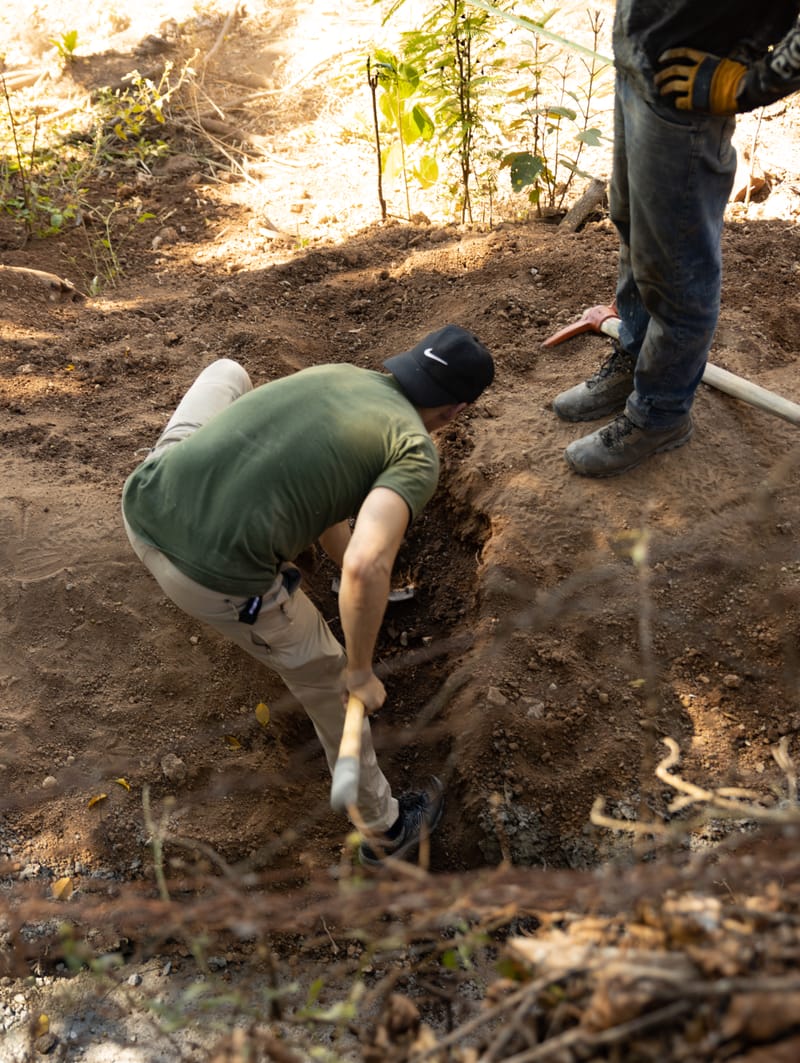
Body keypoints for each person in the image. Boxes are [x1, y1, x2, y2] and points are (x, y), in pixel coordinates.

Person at [121, 325, 494, 866]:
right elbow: (370, 563)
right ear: (454, 411)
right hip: (214, 581)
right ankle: (387, 831)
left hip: (146, 498)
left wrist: (350, 574)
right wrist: (362, 670)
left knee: (228, 373)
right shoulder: (414, 450)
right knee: (328, 676)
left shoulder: (342, 377)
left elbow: (327, 514)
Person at [553, 2, 800, 477]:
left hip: (689, 99)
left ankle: (659, 413)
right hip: (640, 68)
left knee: (675, 267)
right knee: (635, 234)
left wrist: (755, 82)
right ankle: (636, 358)